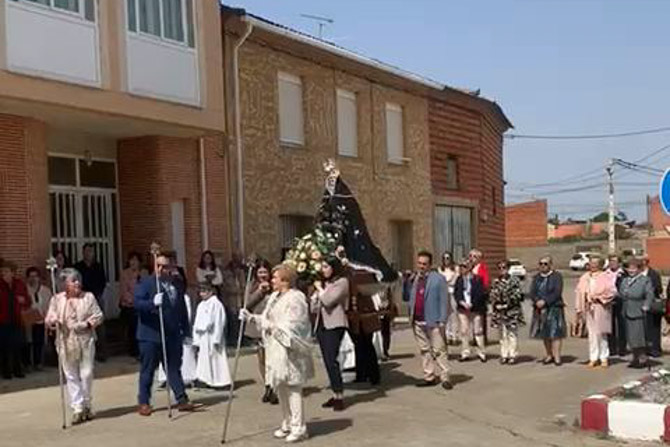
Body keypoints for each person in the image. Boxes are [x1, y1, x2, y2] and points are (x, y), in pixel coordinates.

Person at [240, 264, 314, 443]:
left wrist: (270, 326)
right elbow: (267, 319)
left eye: (275, 278)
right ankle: (287, 422)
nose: (272, 280)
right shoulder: (274, 297)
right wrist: (251, 318)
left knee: (293, 388)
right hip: (275, 348)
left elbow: (294, 326)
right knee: (280, 386)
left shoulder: (296, 298)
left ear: (285, 280)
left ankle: (299, 427)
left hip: (290, 351)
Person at [134, 253, 200, 416]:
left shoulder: (176, 284)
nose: (161, 269)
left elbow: (181, 309)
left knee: (173, 368)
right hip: (150, 335)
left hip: (171, 334)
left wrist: (186, 331)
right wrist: (152, 303)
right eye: (159, 266)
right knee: (148, 370)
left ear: (171, 267)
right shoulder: (146, 283)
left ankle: (181, 399)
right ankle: (144, 402)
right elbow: (137, 303)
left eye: (165, 266)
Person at [45, 268, 103, 424]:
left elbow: (98, 315)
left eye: (78, 280)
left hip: (85, 339)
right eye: (73, 281)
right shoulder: (56, 299)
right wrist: (53, 321)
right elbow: (49, 318)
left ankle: (87, 403)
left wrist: (86, 324)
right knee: (71, 374)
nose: (77, 283)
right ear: (65, 284)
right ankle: (77, 407)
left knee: (86, 373)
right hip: (65, 341)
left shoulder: (88, 297)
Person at [409, 251, 452, 390]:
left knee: (439, 349)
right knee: (424, 350)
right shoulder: (415, 279)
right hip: (418, 320)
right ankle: (429, 376)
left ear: (430, 265)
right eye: (419, 263)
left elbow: (444, 300)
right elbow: (410, 297)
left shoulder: (438, 279)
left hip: (433, 320)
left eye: (424, 264)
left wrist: (442, 319)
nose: (421, 266)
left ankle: (445, 377)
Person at [312, 256, 350, 412]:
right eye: (322, 267)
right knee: (327, 361)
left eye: (326, 267)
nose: (323, 270)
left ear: (334, 267)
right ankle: (335, 394)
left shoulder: (342, 282)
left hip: (335, 324)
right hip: (321, 325)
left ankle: (339, 395)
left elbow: (328, 300)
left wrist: (320, 290)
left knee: (331, 360)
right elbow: (315, 307)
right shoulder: (325, 284)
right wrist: (315, 296)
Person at [245, 259, 277, 404]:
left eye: (265, 272)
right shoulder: (251, 285)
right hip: (257, 326)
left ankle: (274, 386)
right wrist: (259, 291)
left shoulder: (275, 284)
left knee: (273, 358)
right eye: (260, 272)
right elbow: (247, 304)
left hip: (272, 325)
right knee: (262, 358)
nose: (263, 275)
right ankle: (267, 386)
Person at [575, 256, 616, 368]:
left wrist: (599, 298)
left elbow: (612, 291)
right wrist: (579, 309)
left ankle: (604, 357)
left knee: (601, 333)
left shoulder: (605, 276)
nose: (592, 265)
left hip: (601, 306)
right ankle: (593, 357)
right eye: (591, 263)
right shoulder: (585, 277)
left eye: (595, 263)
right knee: (592, 334)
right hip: (588, 308)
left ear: (600, 264)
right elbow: (579, 292)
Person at [192, 282, 231, 388]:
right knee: (204, 359)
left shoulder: (216, 304)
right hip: (204, 336)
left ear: (210, 292)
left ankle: (221, 381)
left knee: (216, 358)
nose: (202, 294)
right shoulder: (201, 305)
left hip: (212, 335)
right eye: (200, 292)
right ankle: (205, 379)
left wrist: (217, 338)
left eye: (204, 291)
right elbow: (197, 321)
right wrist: (196, 339)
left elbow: (219, 321)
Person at [618, 257, 655, 368]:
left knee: (638, 337)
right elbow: (621, 292)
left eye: (633, 268)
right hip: (626, 310)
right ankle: (635, 357)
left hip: (638, 311)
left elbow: (650, 294)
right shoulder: (625, 280)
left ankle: (642, 358)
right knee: (630, 337)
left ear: (639, 269)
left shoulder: (645, 280)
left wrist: (646, 305)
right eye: (629, 268)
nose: (631, 271)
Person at [529, 256, 566, 366]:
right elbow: (532, 292)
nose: (543, 266)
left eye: (545, 264)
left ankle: (557, 356)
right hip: (540, 309)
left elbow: (557, 292)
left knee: (555, 333)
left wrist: (545, 301)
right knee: (545, 333)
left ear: (550, 265)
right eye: (541, 263)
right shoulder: (536, 277)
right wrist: (537, 301)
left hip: (554, 307)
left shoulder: (557, 276)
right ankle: (549, 354)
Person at [74, 243, 108, 362]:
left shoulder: (98, 266)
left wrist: (97, 294)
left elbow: (103, 281)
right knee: (82, 324)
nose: (89, 253)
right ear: (83, 252)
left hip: (96, 297)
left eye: (91, 251)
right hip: (82, 298)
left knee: (99, 325)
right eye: (87, 251)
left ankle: (101, 353)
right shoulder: (78, 267)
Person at [490, 260, 525, 365]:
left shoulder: (514, 280)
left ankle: (512, 355)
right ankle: (504, 354)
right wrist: (496, 303)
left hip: (512, 311)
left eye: (504, 267)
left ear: (508, 268)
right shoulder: (495, 281)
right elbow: (492, 294)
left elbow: (518, 295)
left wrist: (508, 303)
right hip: (499, 311)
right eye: (500, 268)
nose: (502, 270)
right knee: (502, 334)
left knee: (512, 333)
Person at [454, 259, 488, 362]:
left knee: (478, 330)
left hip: (475, 308)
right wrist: (461, 302)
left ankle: (481, 353)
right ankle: (465, 353)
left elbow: (480, 293)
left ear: (469, 268)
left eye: (464, 267)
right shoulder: (459, 279)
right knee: (464, 331)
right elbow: (457, 292)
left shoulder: (477, 279)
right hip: (463, 308)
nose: (462, 269)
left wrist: (473, 303)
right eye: (461, 267)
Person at [0, 261, 29, 379]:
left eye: (6, 271)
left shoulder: (19, 284)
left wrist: (23, 300)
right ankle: (6, 371)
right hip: (3, 320)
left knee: (17, 345)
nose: (4, 273)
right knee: (4, 347)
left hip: (17, 320)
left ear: (12, 273)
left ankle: (18, 370)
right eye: (2, 271)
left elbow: (28, 300)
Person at [25, 267, 52, 370]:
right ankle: (27, 363)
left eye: (35, 276)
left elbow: (49, 304)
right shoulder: (25, 289)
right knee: (28, 342)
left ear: (39, 277)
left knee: (39, 341)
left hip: (41, 319)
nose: (33, 279)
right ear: (27, 278)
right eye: (31, 276)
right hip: (28, 319)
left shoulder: (45, 290)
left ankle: (38, 362)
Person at [120, 252, 143, 359]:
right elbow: (124, 291)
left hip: (142, 304)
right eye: (131, 260)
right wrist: (134, 301)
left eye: (135, 260)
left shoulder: (143, 273)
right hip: (129, 305)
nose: (133, 262)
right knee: (133, 326)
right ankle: (134, 351)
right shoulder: (125, 274)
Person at [641, 255, 664, 358]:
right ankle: (646, 348)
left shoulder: (654, 274)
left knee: (654, 328)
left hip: (653, 304)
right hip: (640, 304)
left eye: (642, 261)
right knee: (643, 328)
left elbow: (659, 289)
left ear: (646, 262)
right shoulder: (637, 274)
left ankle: (655, 349)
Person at [221, 253, 246, 346]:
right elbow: (225, 288)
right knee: (233, 321)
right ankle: (233, 340)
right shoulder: (226, 273)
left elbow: (244, 286)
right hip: (231, 301)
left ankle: (241, 340)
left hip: (241, 300)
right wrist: (236, 290)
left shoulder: (242, 273)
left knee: (241, 321)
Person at [607, 254, 628, 356]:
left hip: (621, 301)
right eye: (611, 261)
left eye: (615, 261)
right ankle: (612, 348)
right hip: (608, 301)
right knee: (610, 325)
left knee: (622, 324)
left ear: (619, 263)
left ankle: (622, 348)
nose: (612, 263)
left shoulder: (624, 274)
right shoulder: (605, 273)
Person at [438, 252, 460, 344]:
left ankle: (454, 335)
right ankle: (447, 335)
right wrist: (446, 283)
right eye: (444, 258)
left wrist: (449, 282)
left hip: (452, 292)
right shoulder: (440, 269)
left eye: (448, 258)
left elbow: (456, 278)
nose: (446, 260)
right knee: (445, 315)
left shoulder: (455, 268)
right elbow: (440, 280)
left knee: (454, 314)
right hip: (444, 292)